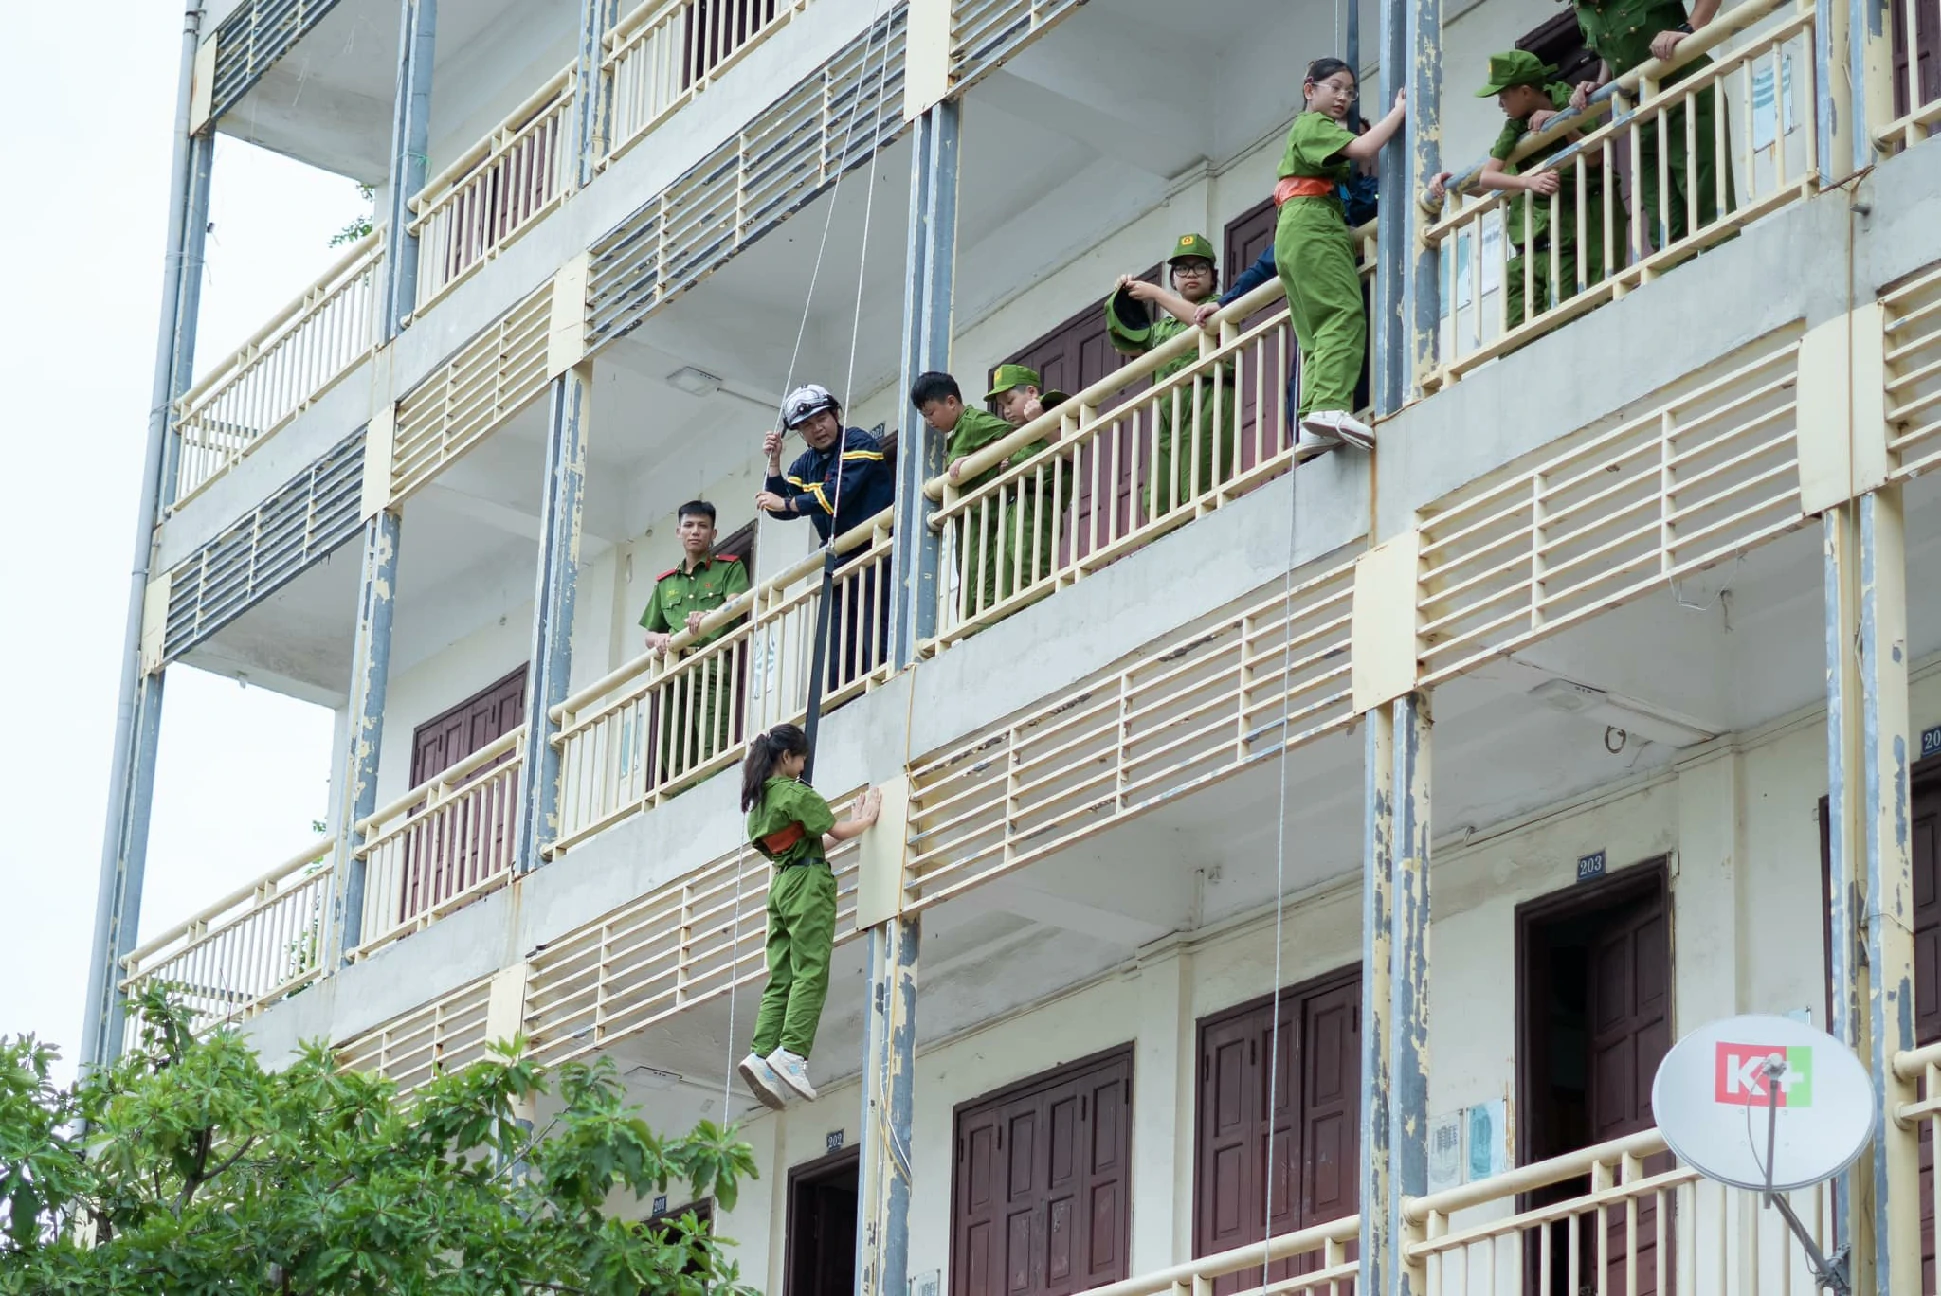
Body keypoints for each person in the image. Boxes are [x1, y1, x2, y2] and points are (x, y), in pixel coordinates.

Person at [736, 724, 881, 1107]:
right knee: (811, 970)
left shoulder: (758, 809)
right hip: (807, 886)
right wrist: (865, 820)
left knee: (781, 977)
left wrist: (853, 827)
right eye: (801, 759)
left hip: (782, 887)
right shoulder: (796, 793)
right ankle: (792, 1053)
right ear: (787, 757)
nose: (803, 767)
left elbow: (808, 844)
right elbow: (836, 830)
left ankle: (761, 1055)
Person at [1274, 60, 1404, 453]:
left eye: (1350, 91)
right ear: (1309, 89)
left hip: (1296, 227)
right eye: (1335, 87)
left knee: (1315, 330)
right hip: (1314, 221)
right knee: (1342, 312)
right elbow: (1364, 147)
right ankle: (1330, 405)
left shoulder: (1310, 131)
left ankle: (1312, 419)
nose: (1343, 97)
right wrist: (1399, 112)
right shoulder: (1313, 124)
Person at [756, 384, 896, 691]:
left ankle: (888, 687)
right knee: (840, 648)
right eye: (807, 426)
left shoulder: (857, 441)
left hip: (877, 551)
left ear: (835, 415)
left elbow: (836, 495)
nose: (817, 428)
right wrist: (775, 463)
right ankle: (842, 702)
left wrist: (787, 504)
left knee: (877, 630)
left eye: (821, 419)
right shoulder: (804, 465)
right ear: (800, 433)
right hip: (841, 560)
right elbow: (780, 507)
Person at [1567, 0, 1734, 249]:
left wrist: (1688, 29)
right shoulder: (1582, 8)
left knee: (1707, 202)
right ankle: (1676, 273)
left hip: (1686, 92)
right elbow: (1611, 46)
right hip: (1642, 113)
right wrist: (1601, 84)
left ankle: (1725, 263)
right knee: (1663, 223)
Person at [1477, 50, 1624, 332]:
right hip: (1551, 230)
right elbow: (1488, 177)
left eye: (1503, 96)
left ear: (1525, 92)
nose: (1499, 104)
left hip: (1591, 211)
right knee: (1541, 319)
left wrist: (1560, 122)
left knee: (1595, 294)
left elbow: (1594, 157)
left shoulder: (1571, 99)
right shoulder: (1514, 125)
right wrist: (1528, 181)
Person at [911, 367, 1067, 621]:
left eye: (930, 413)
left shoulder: (974, 422)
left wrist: (973, 459)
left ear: (950, 402)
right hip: (973, 524)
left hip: (995, 516)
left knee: (997, 582)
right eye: (924, 416)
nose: (929, 421)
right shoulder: (958, 433)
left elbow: (1015, 439)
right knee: (972, 589)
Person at [1105, 234, 1238, 517]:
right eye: (1182, 269)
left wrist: (1156, 294)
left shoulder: (1221, 304)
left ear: (1212, 276)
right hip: (1169, 410)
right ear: (1174, 279)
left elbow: (1203, 320)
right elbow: (1127, 345)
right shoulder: (1163, 328)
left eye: (1199, 267)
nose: (1191, 274)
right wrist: (1121, 298)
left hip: (1207, 397)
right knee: (1158, 500)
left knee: (1200, 487)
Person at [638, 501, 751, 779]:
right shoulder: (666, 583)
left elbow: (736, 604)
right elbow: (649, 633)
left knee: (713, 741)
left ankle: (711, 787)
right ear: (678, 532)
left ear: (713, 533)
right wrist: (659, 638)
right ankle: (681, 793)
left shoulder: (728, 568)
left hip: (711, 664)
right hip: (673, 671)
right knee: (674, 746)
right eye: (688, 525)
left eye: (703, 526)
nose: (695, 531)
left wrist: (710, 614)